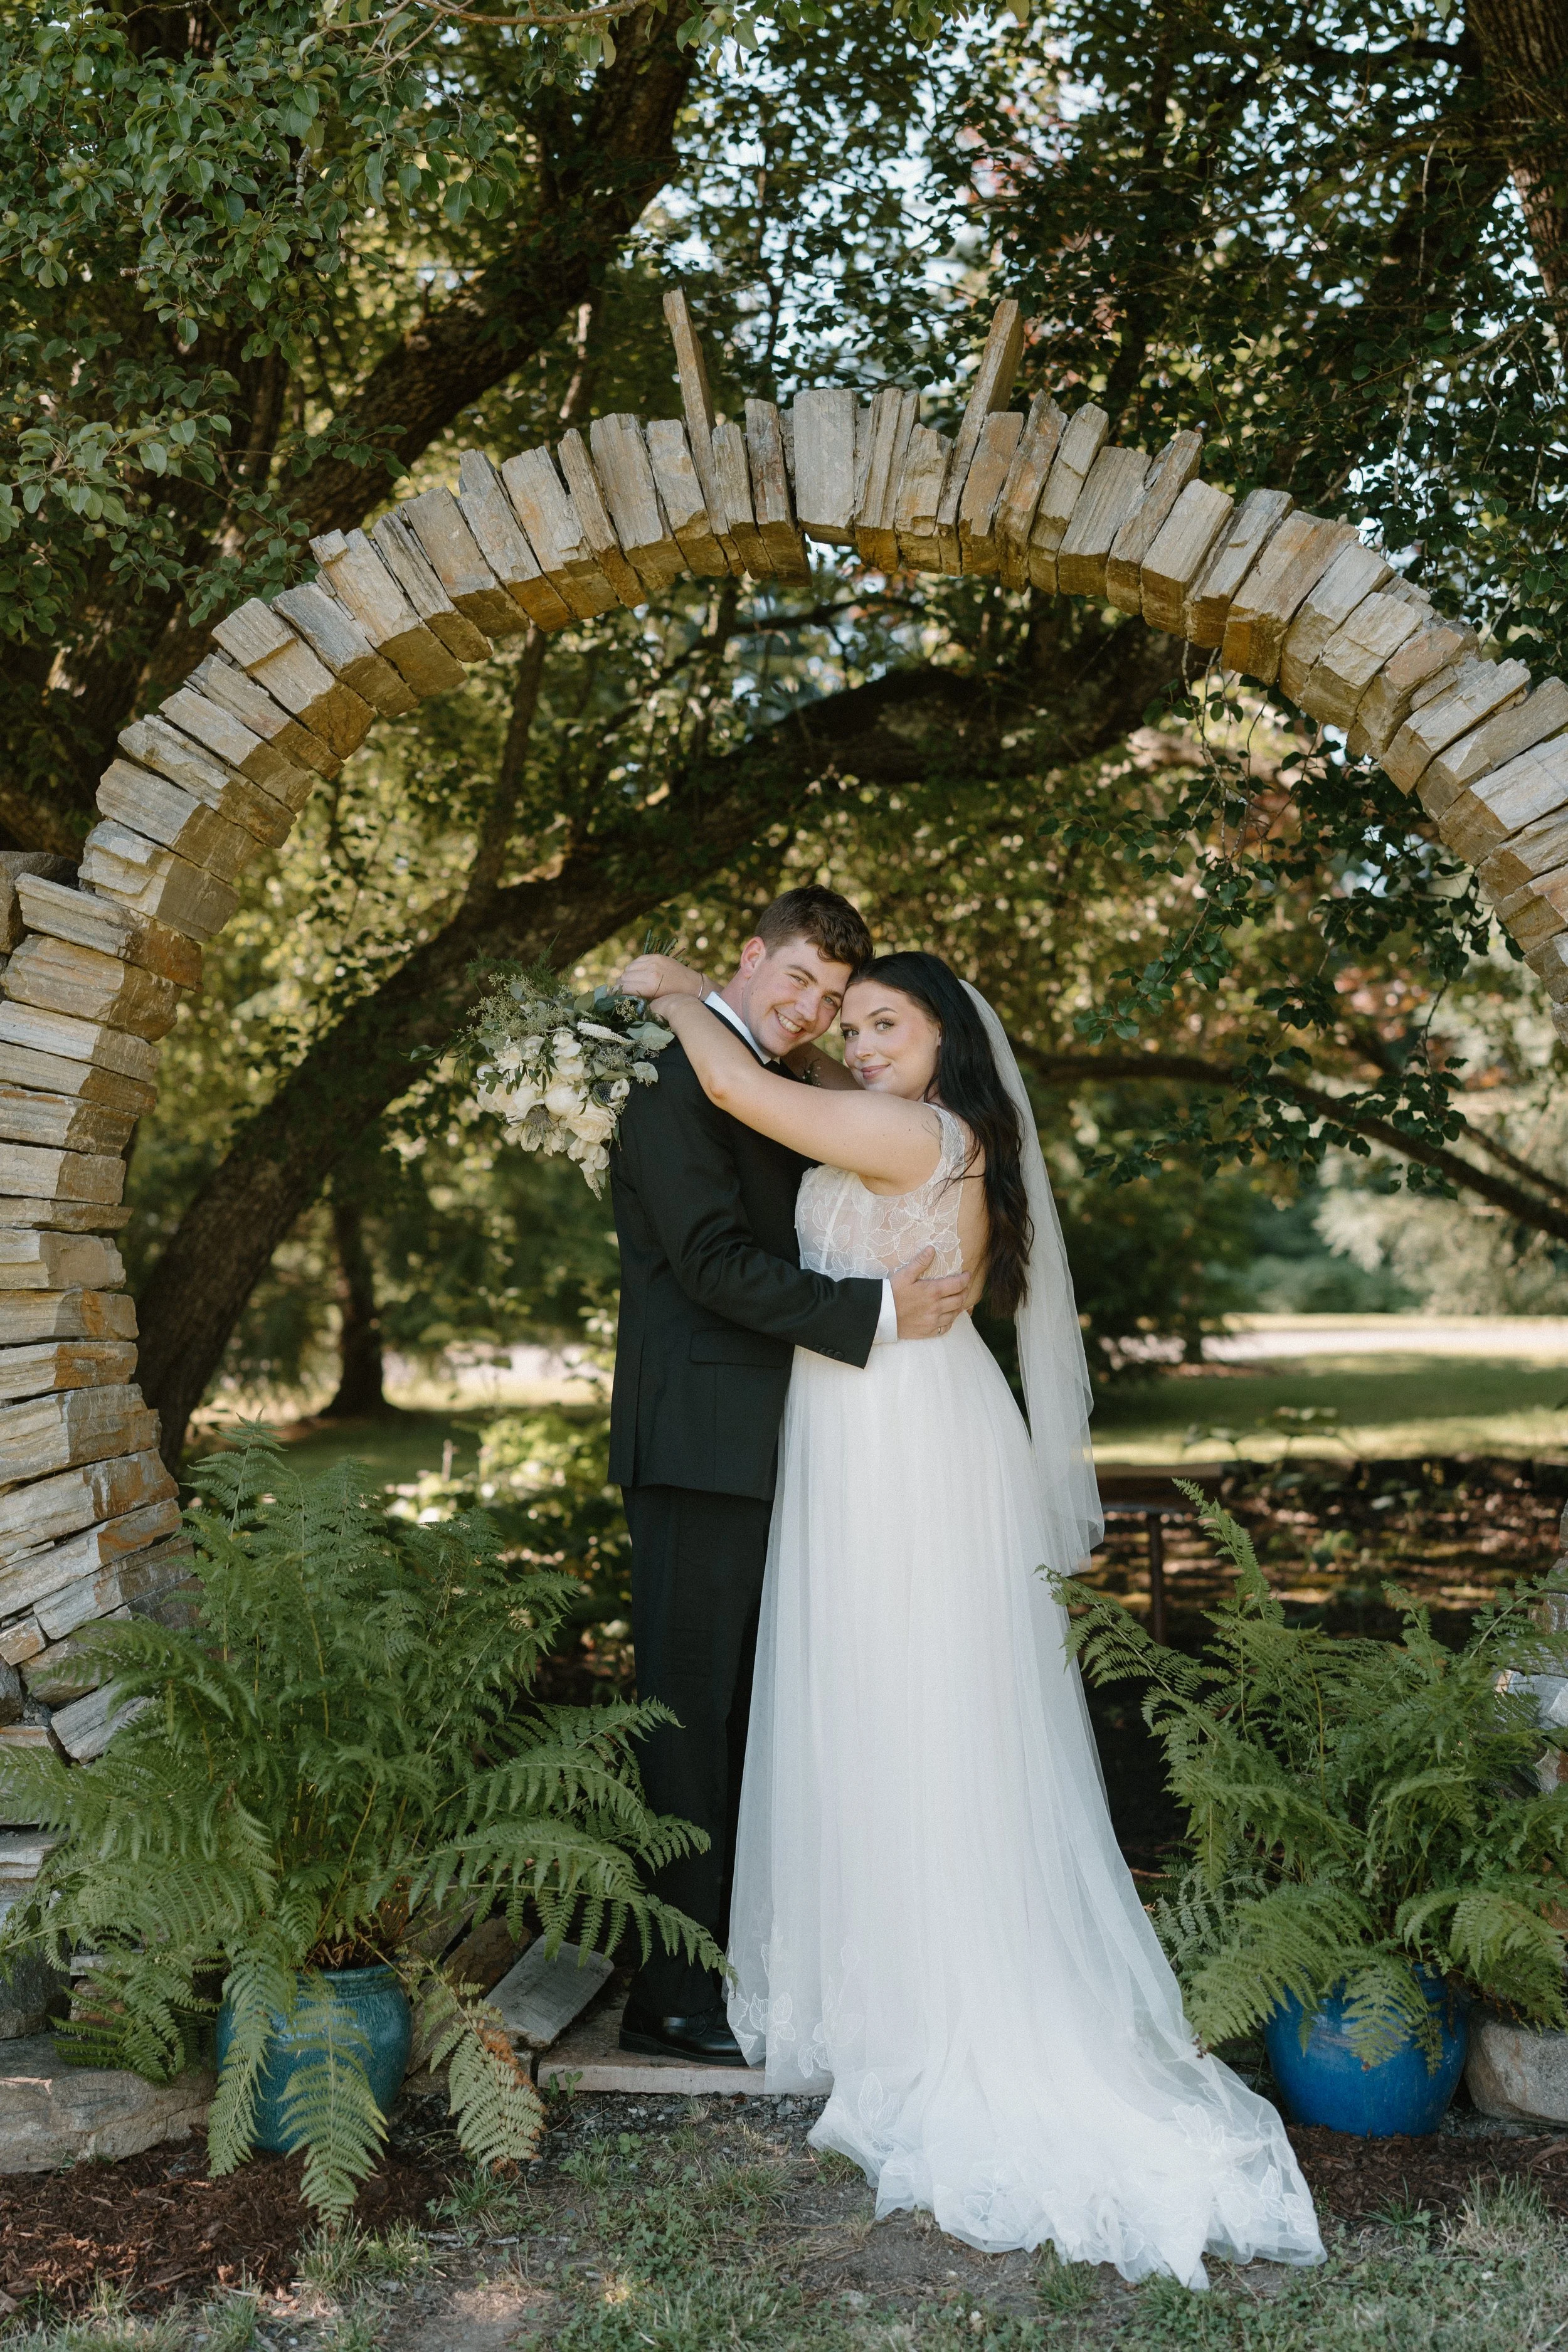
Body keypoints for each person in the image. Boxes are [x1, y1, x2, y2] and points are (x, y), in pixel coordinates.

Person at [613, 943, 1325, 2289]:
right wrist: (785, 1011)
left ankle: (915, 1985)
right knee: (892, 1704)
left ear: (943, 1039)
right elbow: (796, 1079)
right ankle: (887, 1961)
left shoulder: (904, 1128)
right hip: (889, 1421)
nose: (860, 1042)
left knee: (896, 1699)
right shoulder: (929, 1125)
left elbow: (738, 1080)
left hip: (892, 1442)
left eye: (885, 1022)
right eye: (851, 1021)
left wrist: (671, 987)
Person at [608, 888, 972, 2067]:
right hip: (702, 1442)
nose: (812, 1011)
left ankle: (750, 1957)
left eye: (832, 999)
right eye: (800, 980)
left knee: (765, 1713)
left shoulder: (771, 1079)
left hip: (795, 1443)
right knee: (688, 1713)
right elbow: (712, 1262)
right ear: (751, 953)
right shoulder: (674, 1070)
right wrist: (873, 1311)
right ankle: (670, 1992)